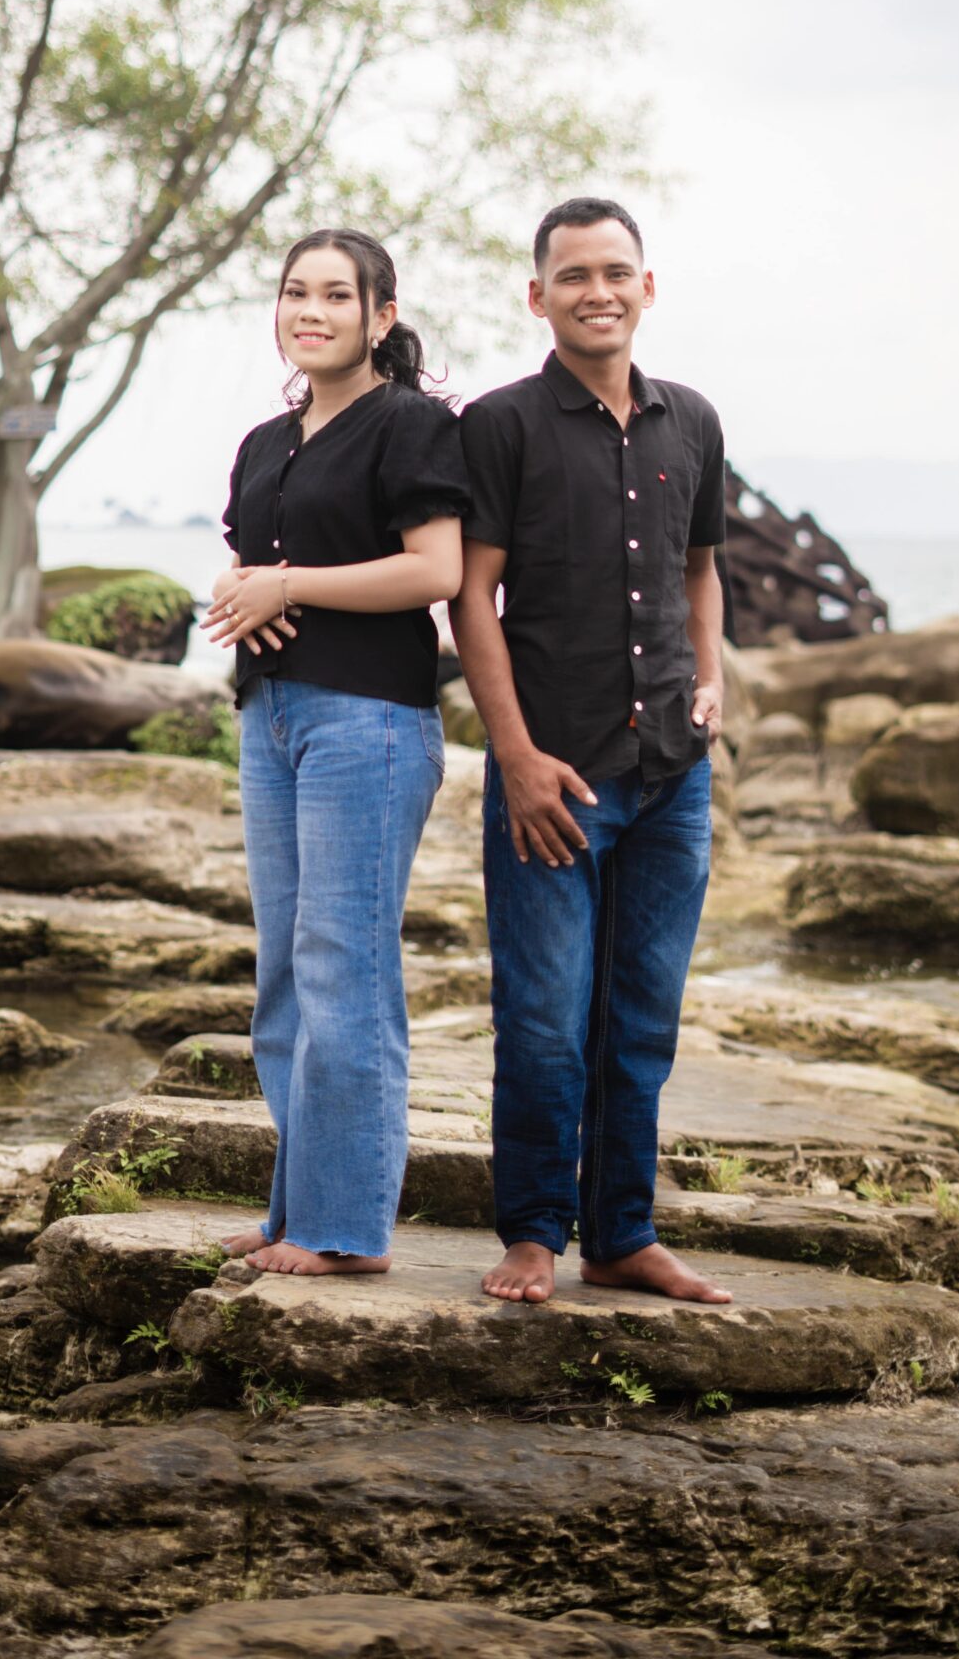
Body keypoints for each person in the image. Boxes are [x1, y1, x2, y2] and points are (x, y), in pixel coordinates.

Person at [450, 197, 734, 1307]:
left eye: (616, 272)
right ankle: (532, 1232)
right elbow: (471, 597)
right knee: (543, 1023)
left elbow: (700, 568)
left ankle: (620, 1235)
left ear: (647, 287)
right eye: (573, 275)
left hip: (672, 774)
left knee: (641, 1020)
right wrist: (514, 756)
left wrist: (711, 677)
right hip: (552, 778)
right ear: (538, 296)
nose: (597, 291)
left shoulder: (692, 420)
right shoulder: (501, 424)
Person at [206, 230, 469, 1277]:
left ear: (380, 316)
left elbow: (436, 570)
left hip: (369, 722)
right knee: (283, 974)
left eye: (334, 295)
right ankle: (295, 1211)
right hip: (269, 715)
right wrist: (243, 589)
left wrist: (291, 586)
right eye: (294, 293)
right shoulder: (264, 442)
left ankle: (347, 1229)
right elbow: (246, 561)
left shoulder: (410, 425)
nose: (309, 311)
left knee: (343, 967)